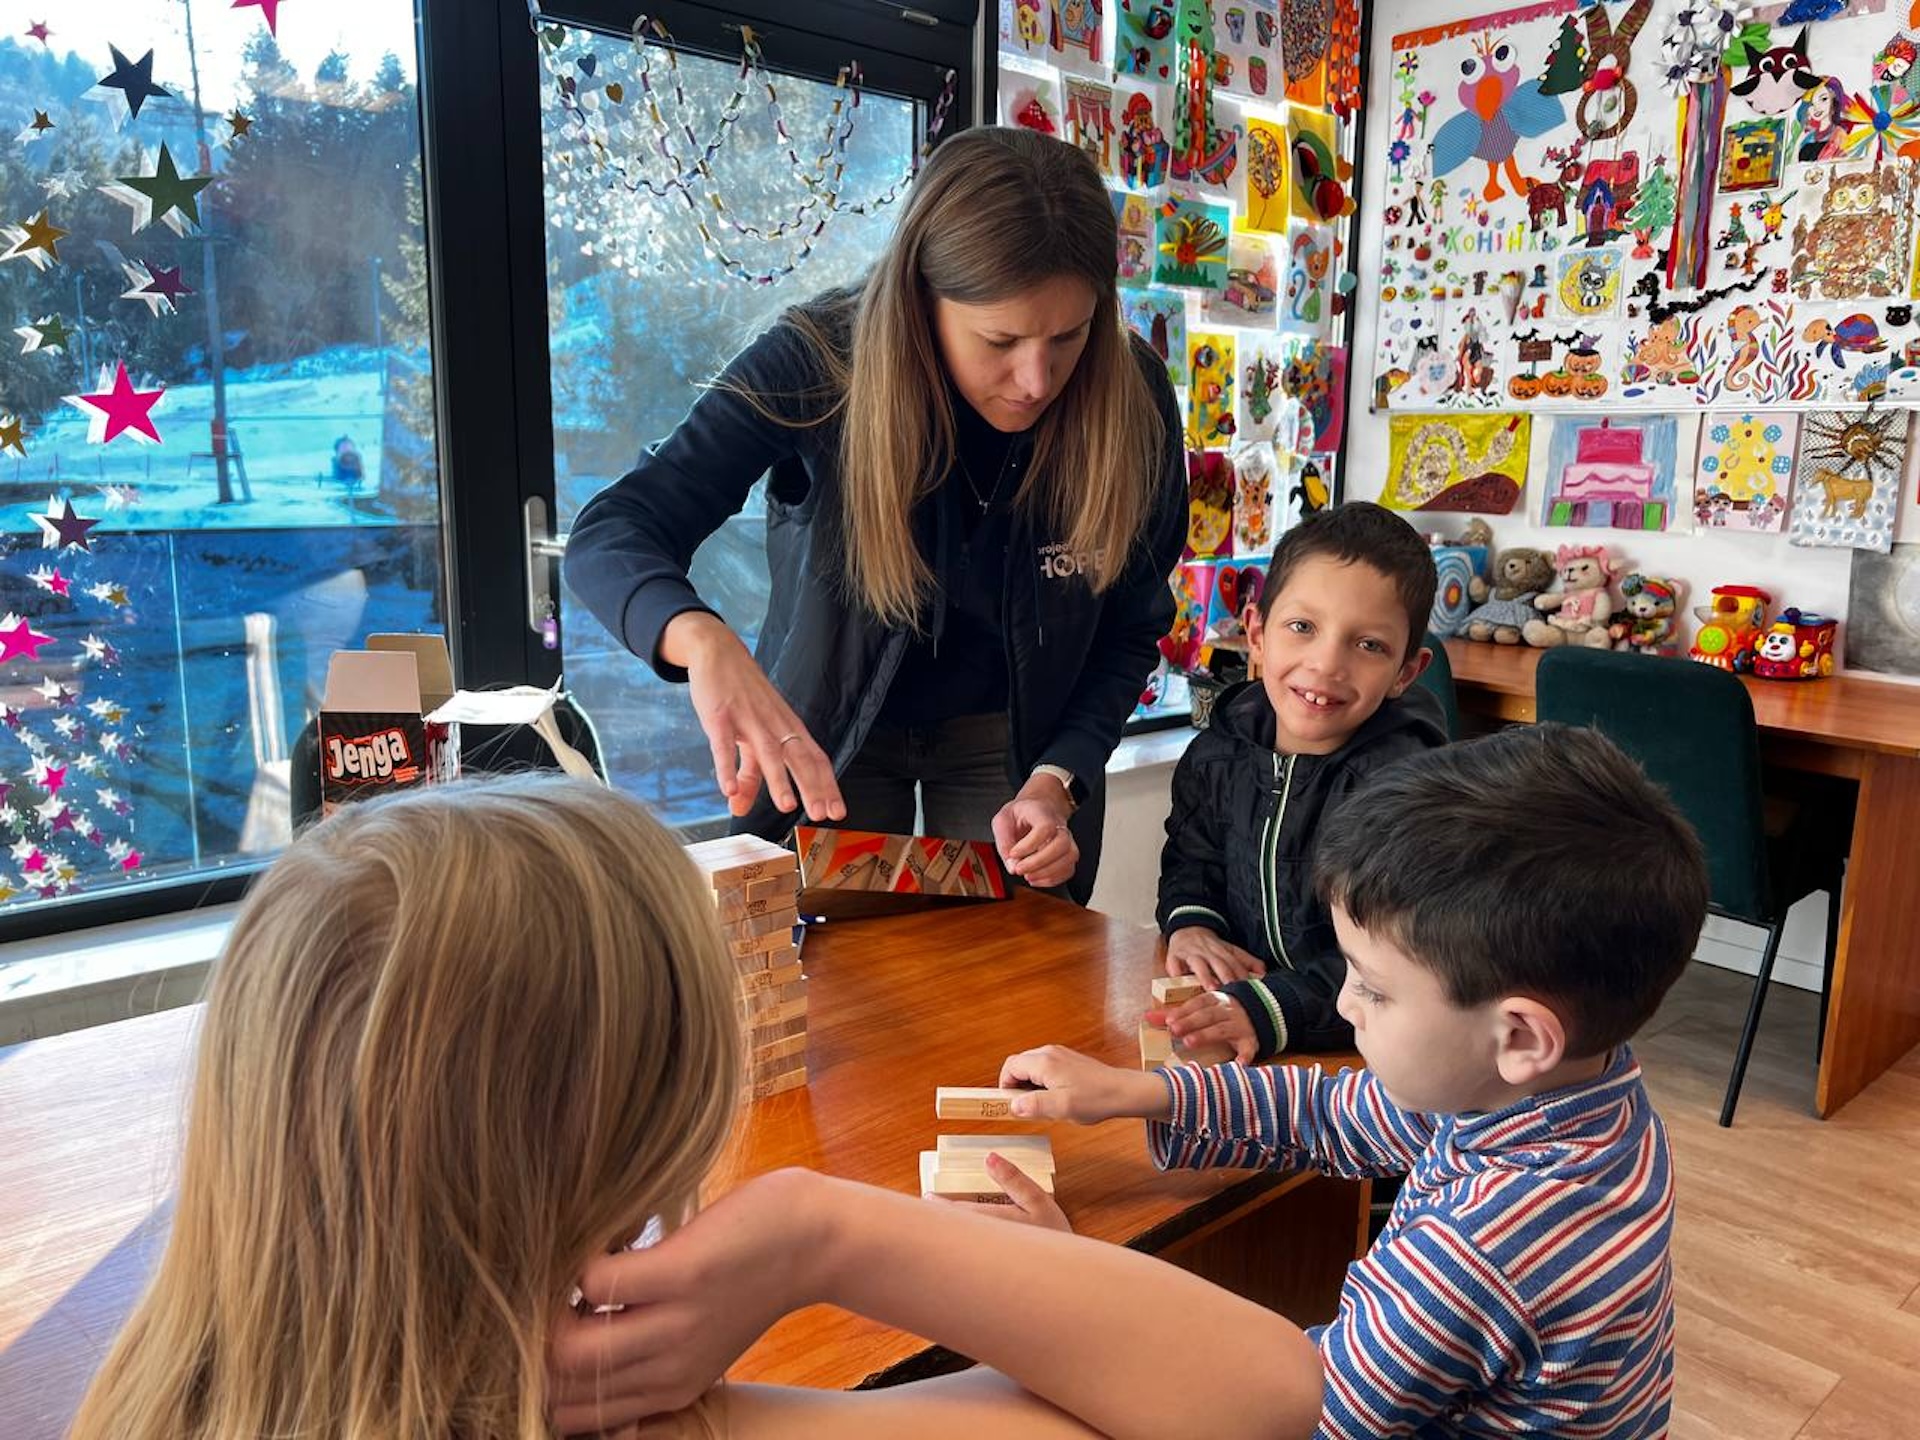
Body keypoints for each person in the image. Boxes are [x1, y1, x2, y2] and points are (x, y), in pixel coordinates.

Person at [70, 775, 1322, 1440]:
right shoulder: (635, 1423)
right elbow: (1269, 1399)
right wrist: (817, 1228)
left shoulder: (146, 1394)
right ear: (643, 1138)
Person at [994, 725, 1711, 1436]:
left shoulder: (1483, 1248)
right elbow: (1336, 1111)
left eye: (1372, 988)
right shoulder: (1575, 1093)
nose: (1341, 1005)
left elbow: (1293, 1419)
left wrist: (1071, 1271)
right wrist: (1136, 1092)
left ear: (1520, 1035)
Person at [564, 126, 1187, 902]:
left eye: (1069, 337)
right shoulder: (816, 362)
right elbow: (615, 530)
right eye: (1000, 340)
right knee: (820, 987)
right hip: (829, 732)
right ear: (923, 299)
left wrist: (1060, 779)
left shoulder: (1133, 398)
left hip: (1016, 742)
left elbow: (1130, 629)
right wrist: (700, 641)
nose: (1036, 380)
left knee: (1015, 976)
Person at [1155, 502, 1447, 1062]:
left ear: (1406, 673)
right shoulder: (1216, 754)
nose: (1326, 664)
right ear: (1257, 634)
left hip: (1367, 1061)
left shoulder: (1405, 791)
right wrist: (1192, 925)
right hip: (1243, 1034)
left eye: (1368, 646)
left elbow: (1402, 959)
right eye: (1303, 627)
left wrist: (1273, 1008)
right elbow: (1194, 862)